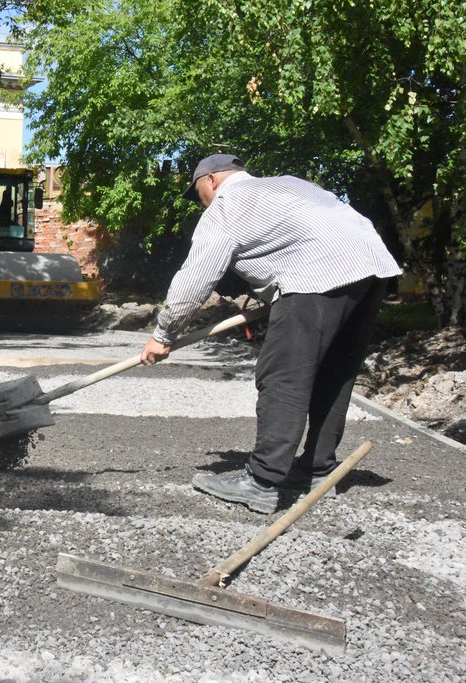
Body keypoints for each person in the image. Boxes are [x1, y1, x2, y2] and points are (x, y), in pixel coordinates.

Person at [139, 154, 401, 513]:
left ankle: (261, 481)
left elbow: (196, 275)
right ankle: (318, 469)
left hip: (316, 273)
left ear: (212, 179)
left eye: (197, 190)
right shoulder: (289, 183)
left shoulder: (228, 203)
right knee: (334, 374)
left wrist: (163, 335)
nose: (198, 200)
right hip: (372, 267)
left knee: (283, 377)